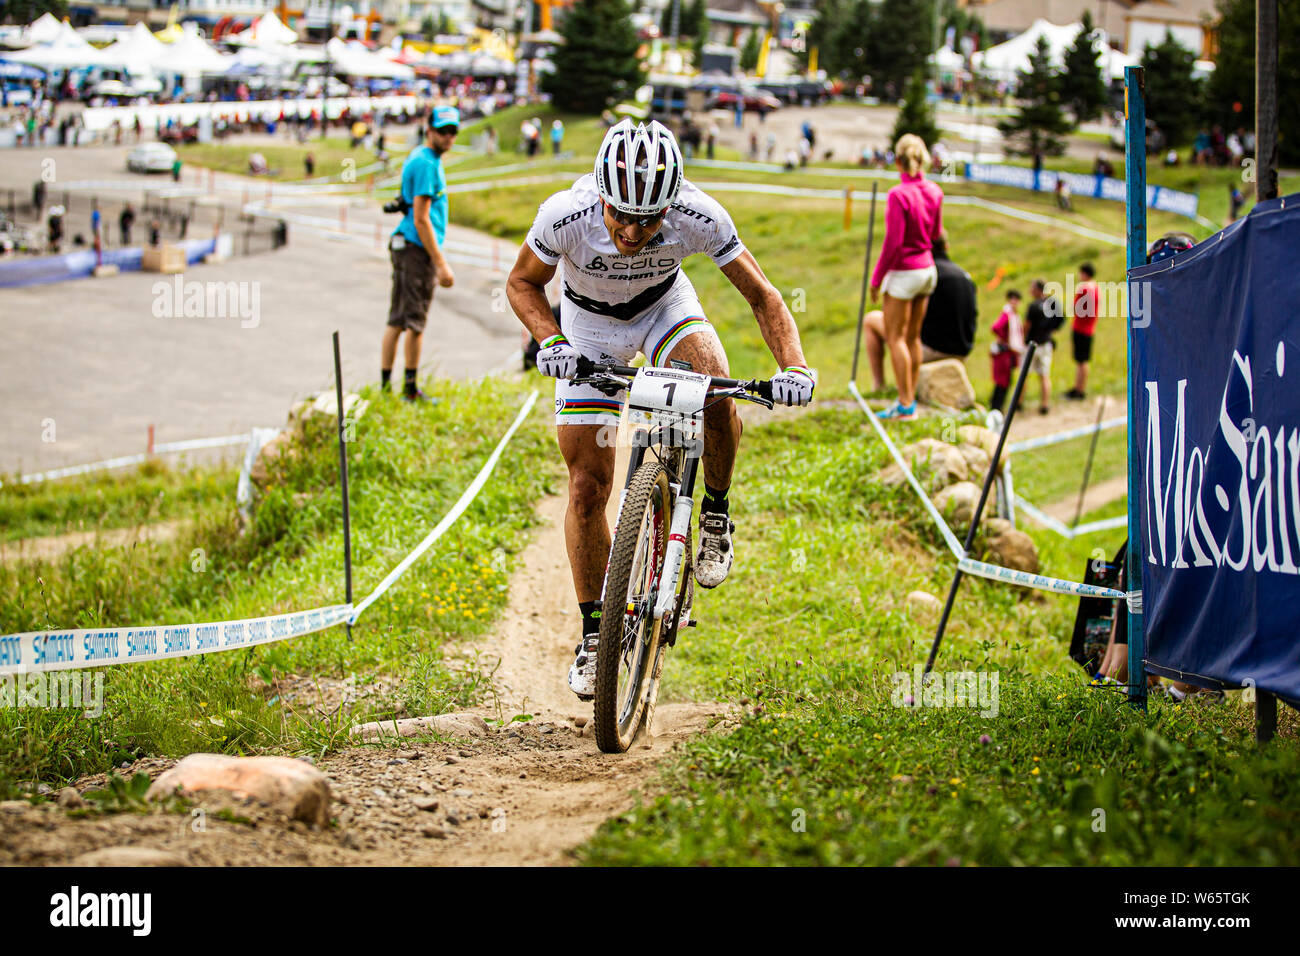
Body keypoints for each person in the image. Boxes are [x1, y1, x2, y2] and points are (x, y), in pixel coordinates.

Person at [506, 119, 815, 699]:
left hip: (663, 309)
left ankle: (716, 514)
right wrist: (551, 342)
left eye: (648, 220)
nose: (630, 230)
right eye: (619, 214)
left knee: (716, 393)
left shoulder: (700, 214)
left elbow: (763, 296)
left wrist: (794, 367)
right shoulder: (563, 214)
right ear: (600, 191)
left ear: (671, 205)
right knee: (585, 488)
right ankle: (597, 634)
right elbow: (523, 284)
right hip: (588, 328)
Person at [381, 105, 459, 403]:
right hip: (416, 248)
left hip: (406, 245)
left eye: (453, 131)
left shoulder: (421, 156)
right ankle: (410, 390)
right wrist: (441, 264)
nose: (448, 137)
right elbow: (421, 218)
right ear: (429, 131)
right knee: (414, 322)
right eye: (443, 131)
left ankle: (387, 388)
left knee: (397, 318)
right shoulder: (427, 164)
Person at [870, 134, 945, 421]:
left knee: (895, 337)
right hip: (928, 269)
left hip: (905, 272)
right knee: (913, 337)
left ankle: (904, 404)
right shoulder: (935, 191)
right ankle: (909, 399)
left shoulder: (898, 194)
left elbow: (894, 243)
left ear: (898, 160)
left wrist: (877, 279)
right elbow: (937, 233)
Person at [861, 230, 976, 391]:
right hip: (962, 351)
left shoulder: (926, 274)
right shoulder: (964, 275)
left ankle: (879, 386)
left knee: (871, 320)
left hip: (930, 349)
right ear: (947, 246)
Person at [1024, 278, 1063, 414]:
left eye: (1032, 288)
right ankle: (1045, 404)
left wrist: (1023, 338)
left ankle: (1019, 402)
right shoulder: (1052, 303)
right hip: (1046, 342)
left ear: (1038, 290)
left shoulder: (1033, 306)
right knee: (1044, 375)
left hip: (1031, 345)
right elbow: (1061, 318)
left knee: (1024, 375)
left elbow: (1027, 326)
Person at [1065, 262, 1098, 400]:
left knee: (1080, 361)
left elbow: (1075, 307)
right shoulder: (1095, 288)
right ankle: (1080, 387)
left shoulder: (1083, 289)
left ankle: (1079, 389)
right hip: (1090, 328)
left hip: (1080, 327)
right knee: (1084, 361)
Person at [988, 289, 1024, 413]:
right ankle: (996, 407)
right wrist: (1004, 339)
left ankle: (998, 406)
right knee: (1002, 381)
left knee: (1006, 381)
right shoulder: (1007, 314)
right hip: (1005, 353)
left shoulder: (1013, 315)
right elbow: (996, 327)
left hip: (1010, 352)